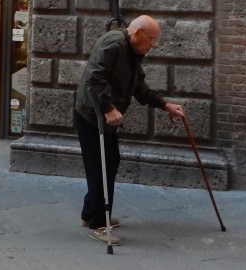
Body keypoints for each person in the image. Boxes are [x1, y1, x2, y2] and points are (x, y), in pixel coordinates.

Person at [74, 14, 185, 246]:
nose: (154, 45)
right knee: (101, 168)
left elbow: (140, 87)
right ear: (137, 33)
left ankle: (91, 213)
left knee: (110, 162)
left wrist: (165, 105)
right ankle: (97, 223)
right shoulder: (113, 44)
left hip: (106, 117)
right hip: (92, 115)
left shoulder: (134, 53)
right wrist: (109, 108)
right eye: (152, 39)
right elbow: (94, 78)